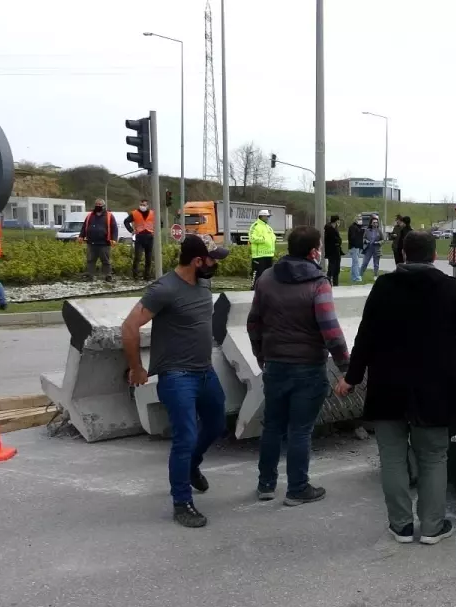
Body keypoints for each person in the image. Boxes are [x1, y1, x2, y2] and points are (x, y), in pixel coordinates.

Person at [335, 230, 456, 544]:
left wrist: (352, 378)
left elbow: (366, 338)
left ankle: (400, 526)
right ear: (435, 256)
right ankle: (432, 526)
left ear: (401, 255)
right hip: (434, 390)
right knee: (432, 457)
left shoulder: (383, 287)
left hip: (388, 388)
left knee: (392, 457)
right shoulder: (447, 287)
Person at [121, 234, 230, 528]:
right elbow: (129, 327)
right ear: (197, 261)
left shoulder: (204, 284)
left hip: (205, 371)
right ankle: (182, 502)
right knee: (185, 436)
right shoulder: (164, 289)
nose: (215, 263)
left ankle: (191, 466)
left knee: (217, 424)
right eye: (211, 259)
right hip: (176, 375)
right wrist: (136, 368)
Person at [247, 226, 350, 505]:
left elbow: (253, 321)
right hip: (308, 368)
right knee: (300, 430)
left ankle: (266, 485)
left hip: (276, 365)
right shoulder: (319, 283)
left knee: (272, 426)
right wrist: (345, 368)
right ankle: (297, 489)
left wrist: (260, 354)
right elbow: (330, 331)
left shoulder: (267, 278)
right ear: (313, 251)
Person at [79, 199, 118, 282]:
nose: (98, 206)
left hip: (104, 243)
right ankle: (90, 275)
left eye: (100, 204)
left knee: (105, 261)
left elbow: (114, 228)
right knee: (90, 260)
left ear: (103, 206)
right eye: (96, 204)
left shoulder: (109, 216)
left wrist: (114, 239)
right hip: (91, 242)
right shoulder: (90, 215)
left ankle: (108, 275)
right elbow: (84, 226)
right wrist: (81, 236)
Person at [124, 198, 156, 280]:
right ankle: (135, 275)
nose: (142, 206)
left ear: (147, 205)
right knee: (137, 257)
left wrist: (156, 231)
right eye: (141, 205)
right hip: (139, 237)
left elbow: (160, 223)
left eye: (144, 205)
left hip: (149, 237)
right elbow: (126, 221)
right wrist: (131, 230)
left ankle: (147, 276)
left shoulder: (153, 213)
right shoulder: (135, 213)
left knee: (148, 258)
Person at [249, 209, 277, 288]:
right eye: (267, 216)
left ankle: (266, 289)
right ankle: (254, 289)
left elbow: (273, 237)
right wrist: (264, 240)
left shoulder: (268, 227)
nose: (268, 218)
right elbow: (252, 238)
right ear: (262, 216)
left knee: (268, 275)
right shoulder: (255, 226)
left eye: (269, 216)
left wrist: (273, 240)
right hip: (259, 255)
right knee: (257, 274)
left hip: (269, 254)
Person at [324, 215, 344, 286]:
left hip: (336, 250)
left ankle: (335, 283)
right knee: (332, 267)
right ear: (336, 221)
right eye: (338, 220)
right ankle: (330, 281)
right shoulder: (330, 228)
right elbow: (334, 239)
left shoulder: (334, 228)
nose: (339, 222)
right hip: (333, 250)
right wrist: (338, 241)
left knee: (336, 267)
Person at [347, 217, 365, 283]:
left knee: (355, 263)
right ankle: (356, 277)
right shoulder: (353, 227)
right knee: (356, 263)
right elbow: (353, 237)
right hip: (354, 247)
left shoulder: (358, 227)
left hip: (357, 247)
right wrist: (360, 232)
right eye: (359, 219)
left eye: (361, 219)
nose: (360, 221)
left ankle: (353, 276)